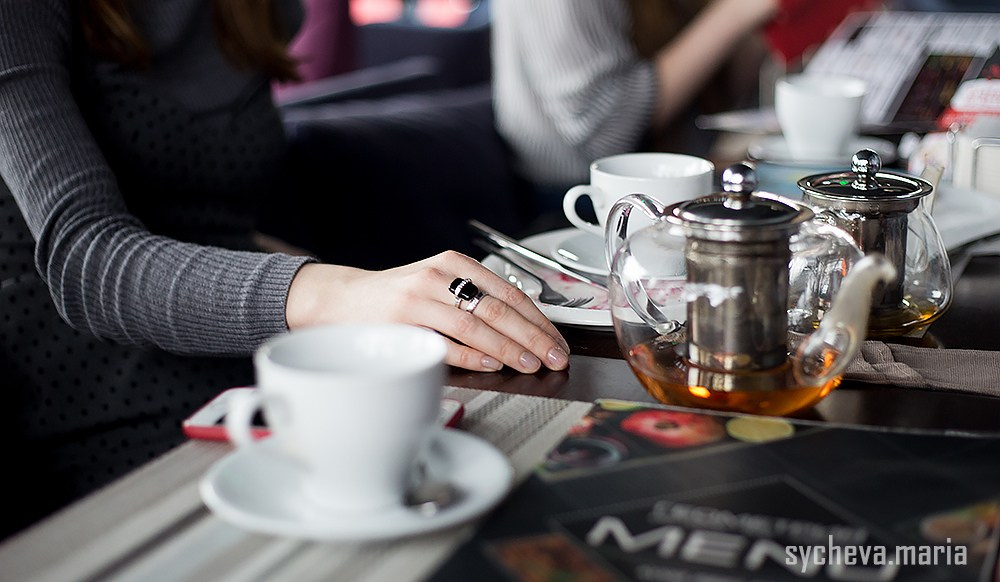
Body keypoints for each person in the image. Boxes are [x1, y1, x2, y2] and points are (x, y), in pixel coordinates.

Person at [0, 0, 568, 538]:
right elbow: (89, 262)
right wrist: (344, 294)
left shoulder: (252, 8)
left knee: (522, 472)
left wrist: (385, 297)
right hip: (103, 397)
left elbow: (211, 223)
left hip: (259, 359)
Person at [491, 0, 780, 211]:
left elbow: (718, 91)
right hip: (583, 199)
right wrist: (735, 13)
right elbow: (604, 132)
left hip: (692, 168)